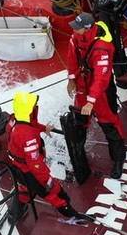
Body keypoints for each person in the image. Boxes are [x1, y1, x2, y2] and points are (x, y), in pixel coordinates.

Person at [65, 12, 127, 178]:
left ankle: (119, 159)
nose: (75, 30)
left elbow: (102, 78)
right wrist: (71, 79)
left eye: (78, 28)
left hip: (101, 92)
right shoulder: (76, 36)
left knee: (109, 124)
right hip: (82, 84)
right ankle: (78, 154)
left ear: (87, 29)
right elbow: (72, 56)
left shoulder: (102, 48)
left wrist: (91, 101)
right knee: (79, 119)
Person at [6, 91, 80, 221]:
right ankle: (74, 217)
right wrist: (48, 181)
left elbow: (31, 125)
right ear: (28, 110)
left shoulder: (14, 119)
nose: (36, 106)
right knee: (55, 193)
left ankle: (16, 212)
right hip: (30, 172)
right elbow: (36, 165)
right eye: (33, 105)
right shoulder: (27, 137)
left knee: (25, 188)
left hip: (18, 168)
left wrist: (44, 128)